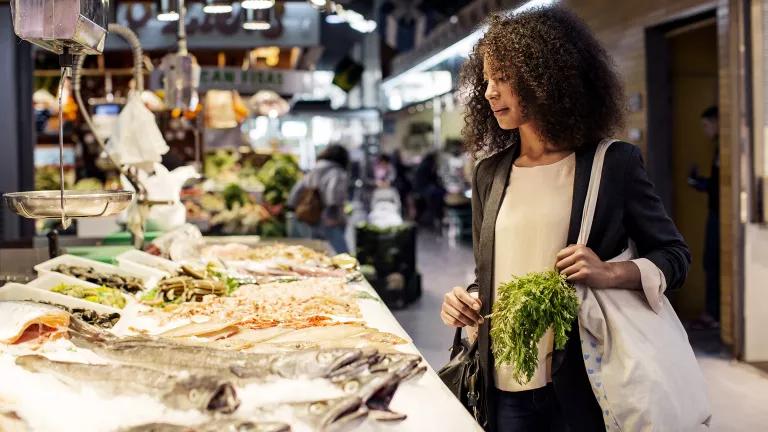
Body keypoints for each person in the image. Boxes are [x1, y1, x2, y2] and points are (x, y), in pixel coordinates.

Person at [439, 7, 690, 432]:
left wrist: (609, 271)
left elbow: (675, 256)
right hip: (502, 379)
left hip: (583, 379)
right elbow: (492, 272)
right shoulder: (490, 173)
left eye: (503, 79)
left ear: (545, 78)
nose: (489, 93)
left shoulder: (612, 165)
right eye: (485, 80)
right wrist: (465, 299)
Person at [688, 106, 720, 329]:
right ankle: (712, 312)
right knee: (710, 261)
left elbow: (719, 187)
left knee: (713, 262)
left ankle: (714, 314)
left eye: (707, 125)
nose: (705, 131)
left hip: (719, 215)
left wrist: (701, 184)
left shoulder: (725, 148)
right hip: (715, 212)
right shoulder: (718, 147)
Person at [287, 144, 350, 254]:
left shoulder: (314, 170)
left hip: (311, 218)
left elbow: (296, 190)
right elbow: (333, 195)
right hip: (329, 219)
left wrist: (291, 207)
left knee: (317, 252)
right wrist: (333, 214)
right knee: (343, 255)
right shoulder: (338, 172)